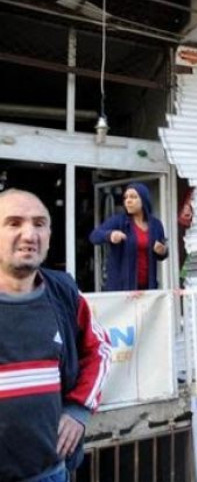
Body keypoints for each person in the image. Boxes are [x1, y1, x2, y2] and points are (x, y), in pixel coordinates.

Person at [0, 189, 112, 481]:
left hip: (51, 473)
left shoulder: (64, 293)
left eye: (39, 224)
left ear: (49, 236)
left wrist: (78, 409)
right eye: (14, 223)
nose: (29, 234)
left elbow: (99, 350)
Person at [89, 182, 168, 291]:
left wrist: (163, 251)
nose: (128, 201)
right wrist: (110, 235)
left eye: (133, 197)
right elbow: (94, 236)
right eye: (126, 197)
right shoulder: (119, 221)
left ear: (144, 200)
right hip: (122, 288)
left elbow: (161, 254)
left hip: (148, 287)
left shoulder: (156, 225)